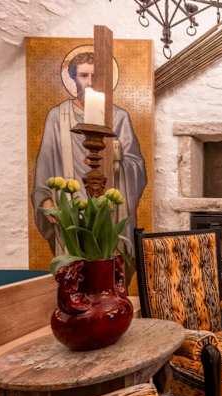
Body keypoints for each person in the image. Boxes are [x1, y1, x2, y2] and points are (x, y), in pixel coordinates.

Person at [32, 51, 146, 256]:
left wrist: (114, 161)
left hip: (108, 206)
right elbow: (45, 162)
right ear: (73, 77)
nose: (90, 82)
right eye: (84, 75)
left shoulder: (118, 116)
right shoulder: (57, 116)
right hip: (69, 203)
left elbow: (136, 164)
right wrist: (45, 199)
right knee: (74, 260)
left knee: (106, 258)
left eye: (95, 76)